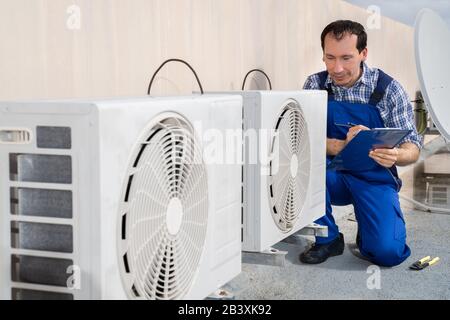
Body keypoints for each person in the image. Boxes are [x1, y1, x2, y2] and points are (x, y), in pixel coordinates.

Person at [301, 20, 422, 267]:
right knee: (302, 165)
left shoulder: (388, 90)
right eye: (330, 57)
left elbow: (413, 149)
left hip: (373, 176)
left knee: (386, 253)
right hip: (332, 174)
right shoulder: (314, 85)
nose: (337, 68)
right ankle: (328, 239)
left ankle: (370, 234)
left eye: (346, 58)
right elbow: (299, 137)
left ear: (363, 53)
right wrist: (337, 146)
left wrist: (396, 154)